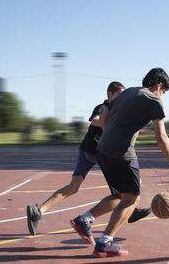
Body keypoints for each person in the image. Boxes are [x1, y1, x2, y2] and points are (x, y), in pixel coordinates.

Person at [70, 68, 169, 258]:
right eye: (163, 92)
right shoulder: (154, 100)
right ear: (159, 86)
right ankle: (105, 242)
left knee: (120, 196)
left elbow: (104, 116)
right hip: (121, 153)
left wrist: (110, 137)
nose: (162, 95)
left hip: (103, 150)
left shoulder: (127, 92)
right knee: (132, 199)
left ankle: (85, 220)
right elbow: (161, 136)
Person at [26, 82, 151, 237]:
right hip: (100, 152)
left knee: (73, 187)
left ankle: (38, 210)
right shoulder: (104, 107)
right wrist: (110, 125)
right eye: (119, 94)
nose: (122, 98)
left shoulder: (117, 109)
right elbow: (95, 120)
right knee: (124, 192)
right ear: (109, 94)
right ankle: (129, 210)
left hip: (86, 151)